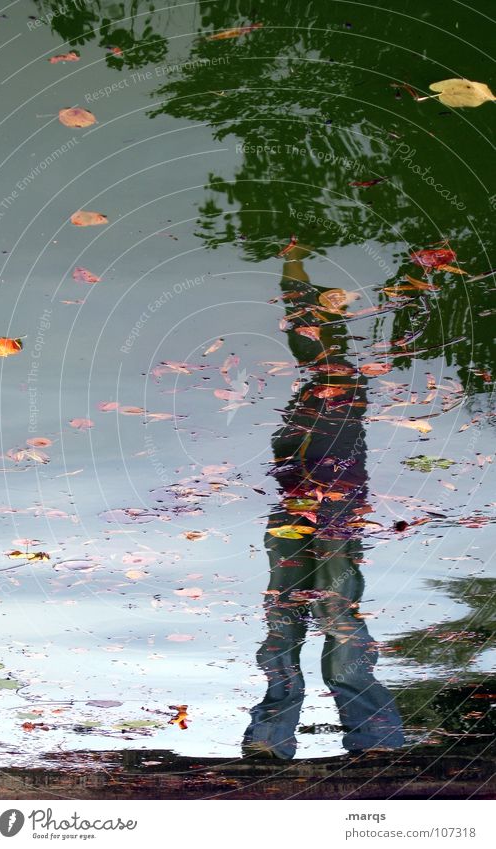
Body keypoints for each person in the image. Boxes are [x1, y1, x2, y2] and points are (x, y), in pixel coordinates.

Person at [243, 246, 404, 758]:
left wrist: (295, 271)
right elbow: (303, 333)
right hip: (292, 517)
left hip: (335, 517)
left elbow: (304, 331)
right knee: (283, 626)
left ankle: (374, 740)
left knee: (338, 619)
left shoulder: (344, 388)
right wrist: (297, 271)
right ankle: (270, 739)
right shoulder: (315, 396)